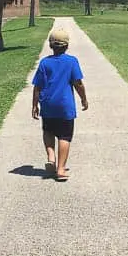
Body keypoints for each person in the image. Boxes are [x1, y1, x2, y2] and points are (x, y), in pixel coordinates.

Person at [32, 28, 88, 181]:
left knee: (48, 132)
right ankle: (61, 169)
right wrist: (83, 98)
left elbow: (37, 86)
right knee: (65, 136)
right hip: (65, 106)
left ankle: (51, 157)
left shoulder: (44, 63)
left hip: (48, 105)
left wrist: (34, 105)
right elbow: (78, 83)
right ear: (66, 46)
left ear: (51, 45)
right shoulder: (71, 61)